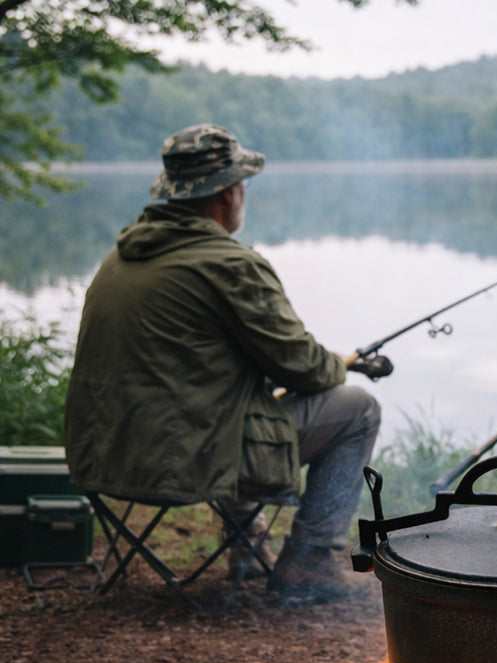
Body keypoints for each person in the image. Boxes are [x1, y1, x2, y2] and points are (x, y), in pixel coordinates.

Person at [64, 123, 388, 604]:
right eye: (243, 185)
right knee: (357, 407)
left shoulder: (121, 256)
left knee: (244, 403)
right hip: (183, 462)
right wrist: (338, 364)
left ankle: (245, 546)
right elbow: (303, 368)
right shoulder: (229, 264)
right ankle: (310, 561)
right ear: (229, 193)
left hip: (106, 456)